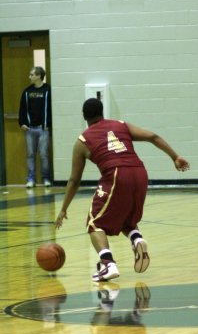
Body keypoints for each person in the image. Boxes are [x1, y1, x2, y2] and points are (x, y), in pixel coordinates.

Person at [55, 98, 190, 282]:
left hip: (117, 175)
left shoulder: (83, 140)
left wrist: (63, 208)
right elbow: (153, 136)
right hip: (140, 173)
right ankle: (136, 239)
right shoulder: (121, 125)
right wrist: (175, 157)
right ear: (102, 112)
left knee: (94, 223)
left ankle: (107, 264)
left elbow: (74, 180)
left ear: (84, 116)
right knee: (125, 217)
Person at [18, 66, 52, 187]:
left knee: (43, 154)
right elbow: (22, 109)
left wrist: (48, 124)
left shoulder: (48, 90)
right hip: (30, 128)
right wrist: (22, 123)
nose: (30, 77)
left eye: (32, 74)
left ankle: (46, 178)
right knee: (30, 154)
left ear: (39, 76)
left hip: (43, 129)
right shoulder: (27, 91)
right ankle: (31, 179)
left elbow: (51, 108)